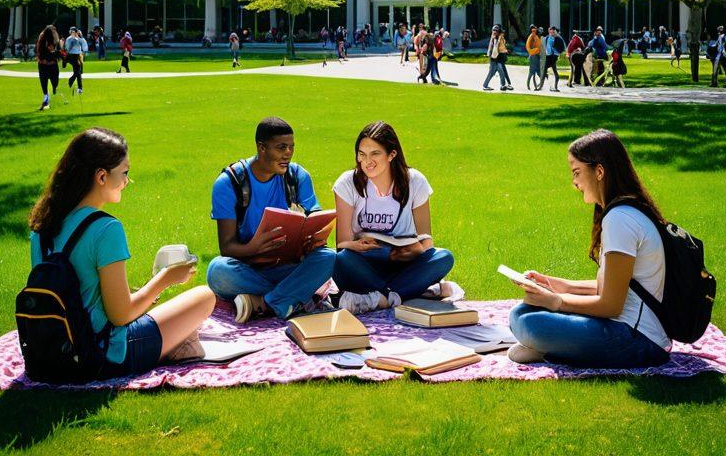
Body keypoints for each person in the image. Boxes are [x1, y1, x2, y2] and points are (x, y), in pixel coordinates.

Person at [29, 127, 214, 374]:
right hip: (103, 357)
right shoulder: (106, 229)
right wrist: (164, 280)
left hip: (54, 351)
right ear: (102, 177)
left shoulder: (43, 225)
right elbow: (121, 316)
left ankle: (179, 343)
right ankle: (178, 345)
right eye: (124, 172)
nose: (127, 181)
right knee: (204, 297)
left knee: (156, 308)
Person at [507, 128, 671, 369]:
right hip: (630, 331)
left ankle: (551, 351)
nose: (574, 183)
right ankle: (555, 348)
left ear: (600, 171)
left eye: (577, 173)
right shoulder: (623, 212)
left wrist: (556, 301)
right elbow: (612, 287)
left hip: (638, 340)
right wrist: (557, 284)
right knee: (522, 312)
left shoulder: (620, 219)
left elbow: (610, 305)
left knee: (529, 324)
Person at [207, 117, 336, 322]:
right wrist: (254, 248)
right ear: (262, 147)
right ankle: (294, 298)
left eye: (291, 147)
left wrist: (315, 238)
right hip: (249, 270)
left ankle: (263, 303)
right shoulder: (229, 183)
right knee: (217, 271)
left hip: (289, 266)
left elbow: (315, 220)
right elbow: (227, 247)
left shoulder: (297, 177)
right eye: (281, 147)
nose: (288, 154)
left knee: (328, 257)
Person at [332, 121, 457, 315]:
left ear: (392, 154)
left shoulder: (415, 181)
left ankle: (381, 298)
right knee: (341, 260)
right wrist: (360, 247)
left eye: (375, 154)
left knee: (444, 257)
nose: (367, 162)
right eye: (362, 154)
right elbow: (342, 244)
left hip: (404, 265)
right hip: (363, 265)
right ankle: (410, 293)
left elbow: (425, 236)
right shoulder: (347, 183)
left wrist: (416, 250)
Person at [36, 24, 63, 111]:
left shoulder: (56, 40)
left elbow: (59, 53)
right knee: (44, 82)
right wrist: (40, 59)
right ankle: (46, 99)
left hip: (52, 64)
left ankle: (53, 90)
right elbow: (38, 51)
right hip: (43, 65)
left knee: (54, 82)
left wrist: (54, 53)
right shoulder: (42, 39)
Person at [483, 24, 512, 91]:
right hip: (494, 58)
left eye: (496, 30)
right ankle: (485, 85)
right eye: (494, 30)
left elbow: (499, 47)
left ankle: (502, 85)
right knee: (492, 73)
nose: (494, 31)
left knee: (501, 71)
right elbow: (495, 48)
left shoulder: (498, 37)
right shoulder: (495, 38)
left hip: (498, 58)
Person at [540, 26, 564, 92]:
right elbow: (543, 45)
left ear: (555, 31)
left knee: (550, 70)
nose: (552, 33)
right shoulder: (547, 38)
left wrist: (556, 50)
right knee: (545, 70)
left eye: (553, 32)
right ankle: (544, 86)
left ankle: (553, 86)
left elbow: (562, 48)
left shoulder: (558, 38)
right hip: (548, 56)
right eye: (550, 32)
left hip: (554, 56)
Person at [66, 27, 87, 94]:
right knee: (78, 71)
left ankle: (79, 88)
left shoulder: (80, 39)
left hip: (78, 55)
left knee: (78, 72)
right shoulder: (69, 39)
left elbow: (84, 47)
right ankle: (74, 83)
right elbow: (67, 48)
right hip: (72, 56)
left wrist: (81, 37)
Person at [525, 25, 542, 91]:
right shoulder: (532, 36)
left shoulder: (536, 37)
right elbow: (528, 47)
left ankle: (535, 86)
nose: (534, 31)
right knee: (533, 72)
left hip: (536, 55)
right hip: (534, 56)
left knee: (535, 72)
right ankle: (529, 86)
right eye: (533, 30)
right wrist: (534, 51)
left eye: (535, 30)